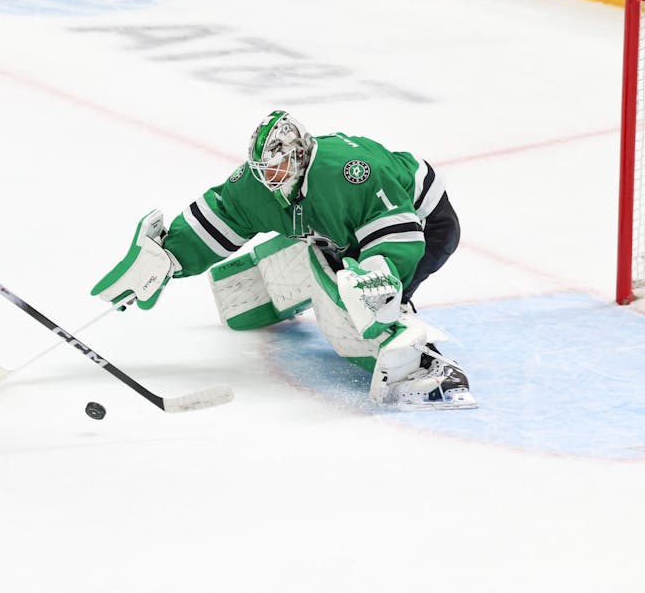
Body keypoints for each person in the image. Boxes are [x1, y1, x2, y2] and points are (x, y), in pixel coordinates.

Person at [91, 110, 476, 409]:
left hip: (424, 222)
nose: (269, 178)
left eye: (277, 168)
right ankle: (275, 285)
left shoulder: (348, 173)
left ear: (300, 155)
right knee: (336, 258)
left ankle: (424, 364)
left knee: (364, 295)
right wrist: (167, 259)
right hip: (347, 227)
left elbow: (397, 232)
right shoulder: (259, 184)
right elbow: (223, 216)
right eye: (263, 170)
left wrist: (380, 276)